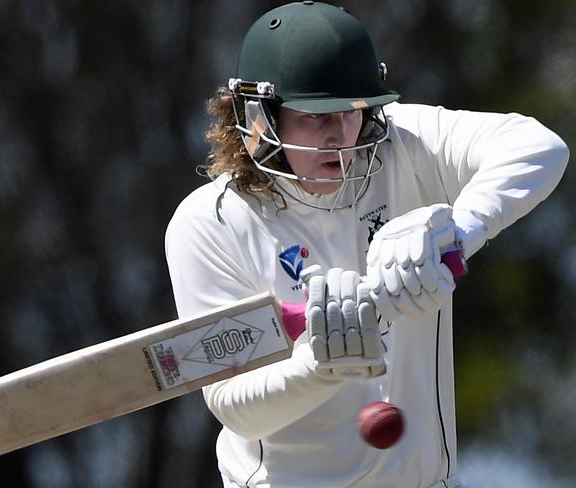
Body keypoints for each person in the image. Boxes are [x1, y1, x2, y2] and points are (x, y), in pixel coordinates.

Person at [165, 2, 569, 487]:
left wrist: (455, 230)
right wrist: (320, 365)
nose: (340, 136)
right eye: (315, 117)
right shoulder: (210, 223)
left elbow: (539, 147)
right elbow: (236, 407)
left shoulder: (401, 144)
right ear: (258, 119)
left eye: (352, 111)